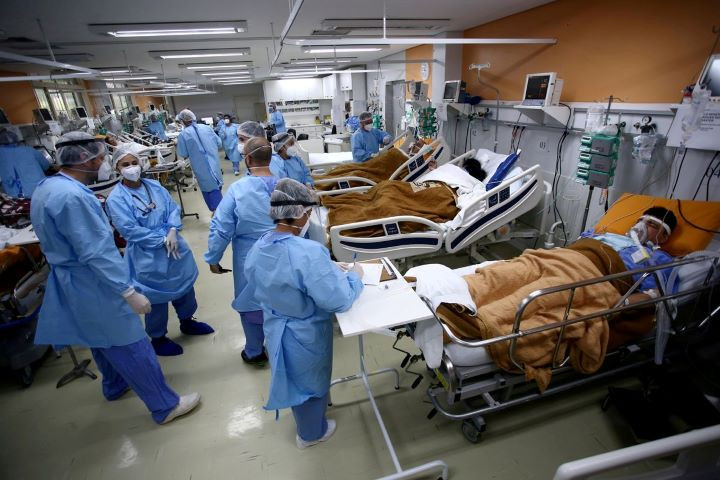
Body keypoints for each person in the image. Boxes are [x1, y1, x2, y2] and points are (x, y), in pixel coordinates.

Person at [30, 131, 200, 424]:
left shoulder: (48, 188)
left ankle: (114, 385)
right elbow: (96, 251)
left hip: (76, 281)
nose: (103, 161)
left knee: (99, 339)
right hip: (95, 282)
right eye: (99, 155)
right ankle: (164, 405)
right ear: (85, 158)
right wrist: (127, 291)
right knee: (129, 341)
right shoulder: (73, 197)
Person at [244, 178, 364, 449]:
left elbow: (272, 279)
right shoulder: (309, 252)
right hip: (304, 332)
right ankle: (311, 434)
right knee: (309, 383)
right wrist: (354, 278)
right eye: (309, 213)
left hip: (276, 326)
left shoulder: (259, 245)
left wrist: (330, 269)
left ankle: (310, 423)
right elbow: (337, 300)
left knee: (294, 378)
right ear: (301, 215)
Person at [106, 145, 214, 357]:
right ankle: (158, 337)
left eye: (134, 163)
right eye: (125, 164)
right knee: (154, 296)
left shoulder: (155, 186)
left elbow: (172, 208)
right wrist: (161, 239)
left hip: (174, 246)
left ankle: (187, 321)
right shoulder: (116, 199)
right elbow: (128, 229)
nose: (131, 168)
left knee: (183, 285)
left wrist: (173, 229)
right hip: (147, 253)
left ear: (141, 163)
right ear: (116, 168)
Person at [204, 137, 278, 365]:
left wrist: (214, 258)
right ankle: (280, 347)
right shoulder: (286, 184)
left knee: (251, 300)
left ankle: (255, 351)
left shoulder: (238, 189)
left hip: (250, 255)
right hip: (286, 253)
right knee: (284, 299)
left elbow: (221, 227)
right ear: (270, 157)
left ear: (247, 159)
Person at [176, 109, 224, 212]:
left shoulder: (183, 135)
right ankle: (219, 211)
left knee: (209, 190)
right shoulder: (207, 128)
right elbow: (219, 143)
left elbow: (183, 153)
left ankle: (218, 213)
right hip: (214, 164)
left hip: (200, 167)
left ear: (182, 121)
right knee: (216, 185)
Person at [0, 129, 51, 198]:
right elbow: (46, 166)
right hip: (41, 191)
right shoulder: (29, 150)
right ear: (17, 140)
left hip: (16, 197)